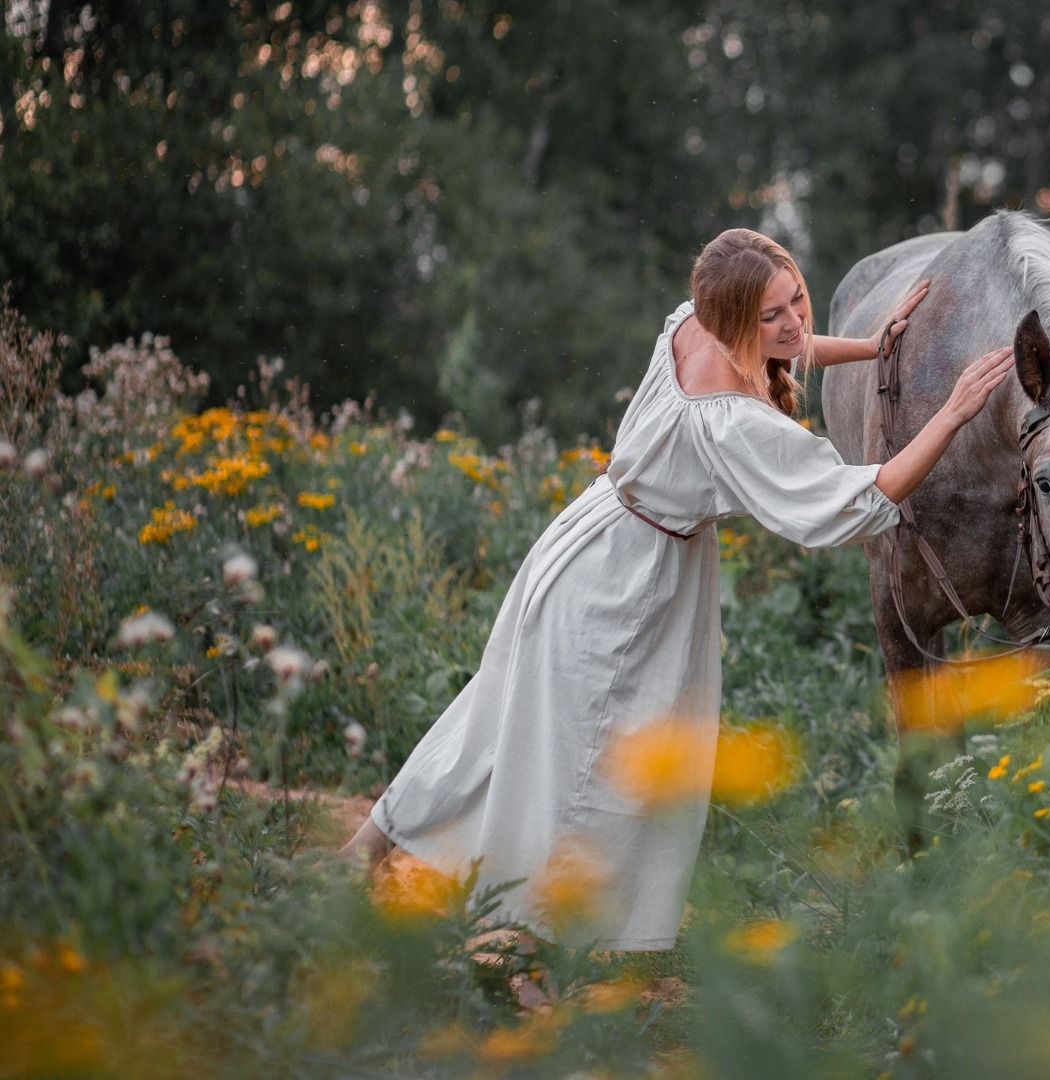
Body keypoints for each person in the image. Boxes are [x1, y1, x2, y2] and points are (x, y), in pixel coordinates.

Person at [338, 228, 1016, 950]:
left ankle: (364, 851)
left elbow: (790, 350)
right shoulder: (727, 422)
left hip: (586, 542)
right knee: (592, 769)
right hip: (625, 591)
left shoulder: (692, 323)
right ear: (735, 321)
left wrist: (876, 343)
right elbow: (862, 495)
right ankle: (517, 947)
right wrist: (952, 412)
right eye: (772, 315)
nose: (793, 323)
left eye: (795, 300)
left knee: (495, 715)